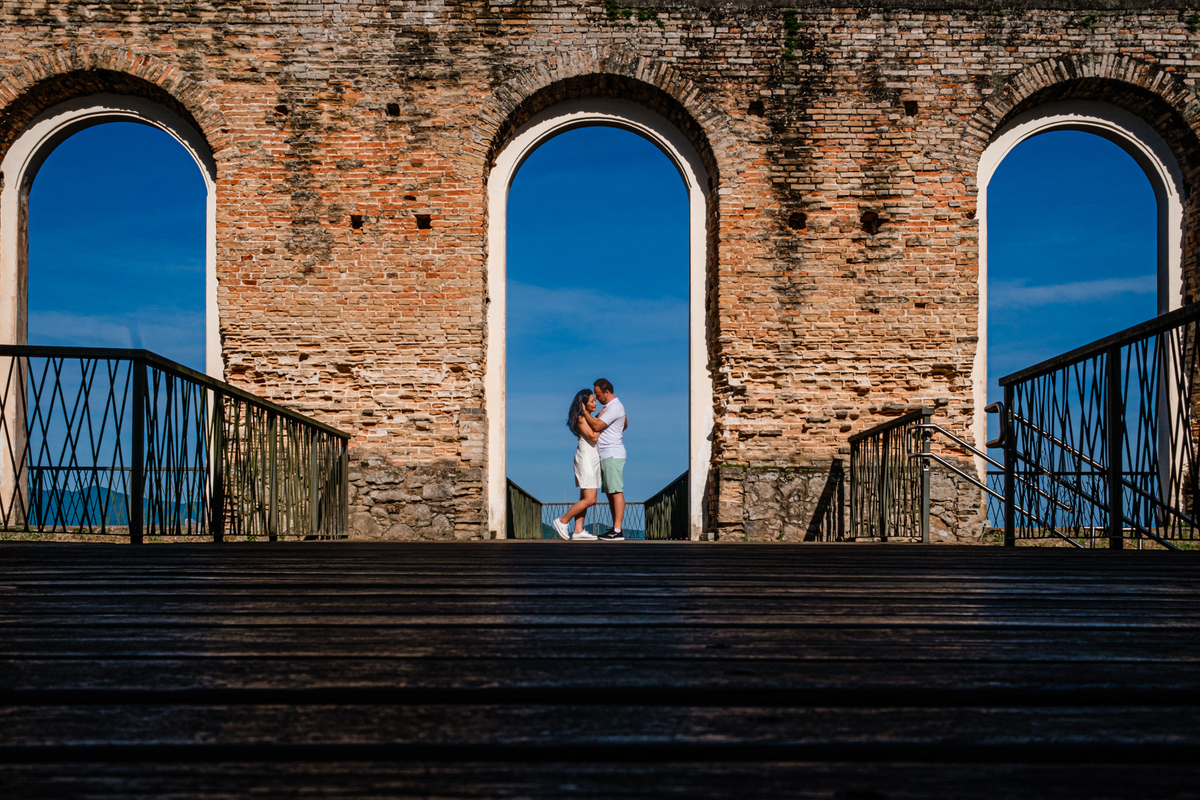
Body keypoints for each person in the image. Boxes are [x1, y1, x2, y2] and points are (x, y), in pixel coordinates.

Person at [551, 389, 602, 541]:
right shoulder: (581, 418)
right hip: (585, 459)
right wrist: (602, 424)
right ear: (583, 404)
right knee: (590, 499)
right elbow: (593, 437)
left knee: (584, 497)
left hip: (591, 459)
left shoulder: (588, 418)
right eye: (592, 401)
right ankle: (562, 521)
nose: (595, 403)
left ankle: (578, 530)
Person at [588, 378, 627, 542]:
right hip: (607, 453)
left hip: (612, 453)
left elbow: (596, 426)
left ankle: (617, 530)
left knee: (616, 491)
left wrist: (583, 412)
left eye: (598, 395)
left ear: (607, 392)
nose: (596, 398)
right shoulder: (612, 407)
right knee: (611, 491)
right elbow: (625, 423)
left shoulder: (614, 406)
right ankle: (615, 528)